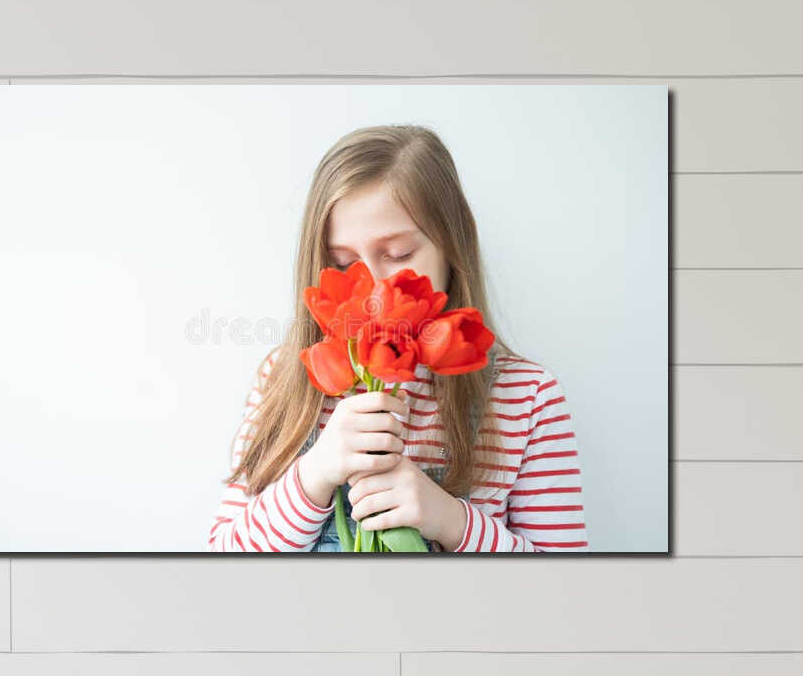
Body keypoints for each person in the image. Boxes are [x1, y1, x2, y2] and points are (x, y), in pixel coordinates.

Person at [206, 125, 587, 552]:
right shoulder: (285, 376)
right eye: (345, 262)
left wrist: (453, 522)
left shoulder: (528, 397)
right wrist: (313, 475)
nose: (374, 289)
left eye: (399, 255)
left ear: (452, 248)